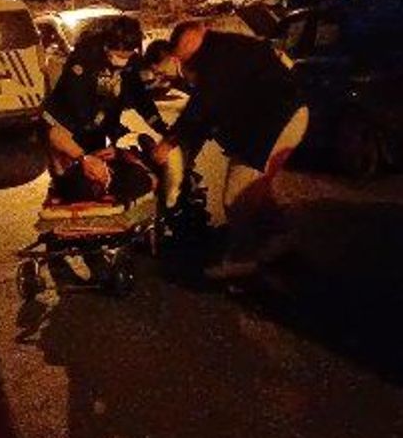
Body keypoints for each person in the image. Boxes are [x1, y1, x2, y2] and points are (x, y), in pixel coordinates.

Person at [149, 20, 309, 280]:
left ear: (198, 35)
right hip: (267, 123)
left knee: (236, 197)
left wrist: (169, 142)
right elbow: (207, 113)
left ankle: (243, 260)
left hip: (275, 123)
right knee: (255, 191)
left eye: (184, 51)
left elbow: (203, 106)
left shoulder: (220, 55)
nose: (181, 60)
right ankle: (280, 239)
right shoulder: (217, 53)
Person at [40, 27, 164, 204]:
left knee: (119, 172)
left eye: (128, 55)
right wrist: (83, 157)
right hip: (70, 138)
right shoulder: (82, 66)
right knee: (75, 184)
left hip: (93, 141)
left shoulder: (127, 66)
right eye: (119, 55)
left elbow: (140, 100)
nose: (122, 61)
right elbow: (56, 131)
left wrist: (161, 129)